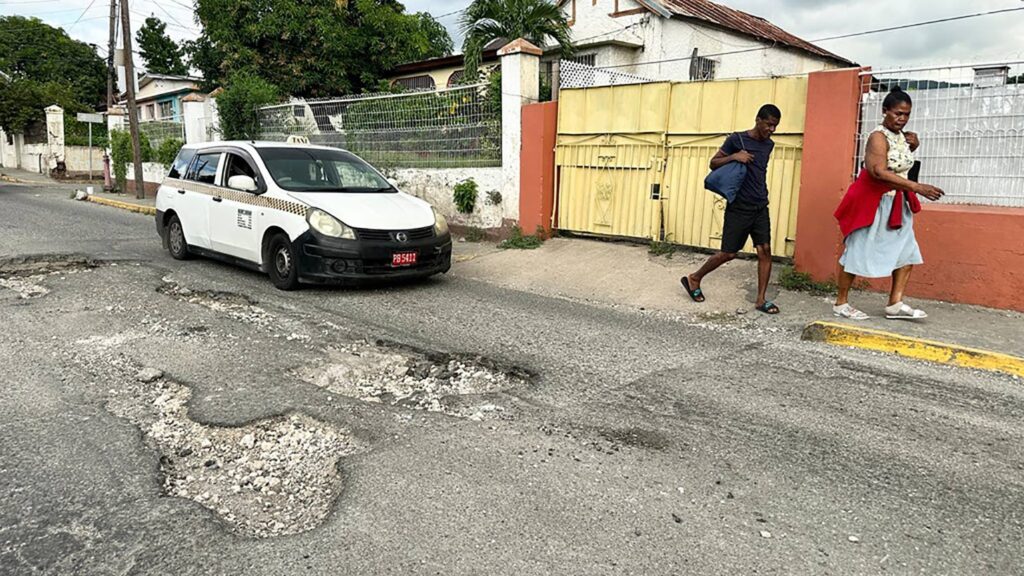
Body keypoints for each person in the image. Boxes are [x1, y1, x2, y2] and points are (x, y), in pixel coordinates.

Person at [832, 87, 944, 320]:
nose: (902, 119)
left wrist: (913, 146)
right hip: (874, 203)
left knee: (907, 252)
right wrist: (916, 186)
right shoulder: (877, 137)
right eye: (897, 113)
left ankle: (895, 304)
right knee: (856, 250)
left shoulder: (904, 137)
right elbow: (878, 172)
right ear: (885, 111)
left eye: (906, 114)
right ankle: (841, 303)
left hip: (897, 203)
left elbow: (900, 162)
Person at [681, 104, 781, 314]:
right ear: (758, 120)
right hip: (739, 207)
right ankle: (694, 278)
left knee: (765, 250)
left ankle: (761, 300)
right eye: (769, 125)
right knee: (728, 253)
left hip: (761, 205)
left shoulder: (768, 145)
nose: (771, 130)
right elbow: (713, 163)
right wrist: (735, 157)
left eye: (775, 126)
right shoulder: (737, 139)